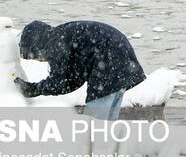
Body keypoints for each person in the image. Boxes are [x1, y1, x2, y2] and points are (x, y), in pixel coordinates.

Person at [15, 20, 147, 120]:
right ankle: (108, 152)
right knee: (107, 123)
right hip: (121, 55)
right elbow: (71, 81)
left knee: (94, 123)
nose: (40, 59)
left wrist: (35, 89)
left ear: (36, 45)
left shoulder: (55, 44)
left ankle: (94, 152)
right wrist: (39, 89)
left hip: (108, 60)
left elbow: (60, 81)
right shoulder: (62, 34)